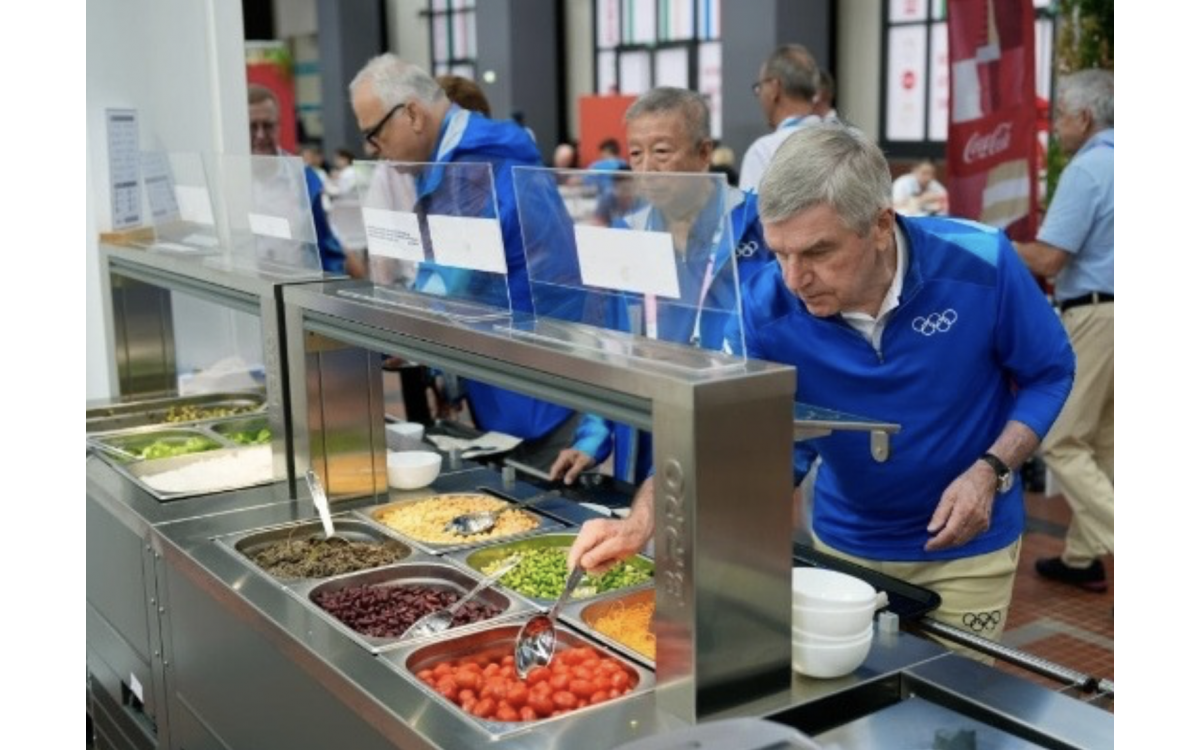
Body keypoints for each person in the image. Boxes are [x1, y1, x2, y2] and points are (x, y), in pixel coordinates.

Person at [569, 124, 1075, 645]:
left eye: (816, 252)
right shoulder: (763, 308)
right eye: (779, 253)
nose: (794, 278)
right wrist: (641, 522)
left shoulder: (982, 261)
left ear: (881, 225)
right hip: (843, 542)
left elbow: (1050, 372)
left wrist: (990, 471)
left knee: (955, 715)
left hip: (970, 548)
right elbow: (716, 432)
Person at [349, 54, 577, 469]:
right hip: (511, 369)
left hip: (537, 381)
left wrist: (382, 335)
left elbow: (447, 283)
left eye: (375, 135)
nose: (374, 150)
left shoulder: (473, 165)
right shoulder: (459, 159)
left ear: (413, 114)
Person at [549, 87, 770, 487]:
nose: (647, 168)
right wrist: (593, 437)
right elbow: (610, 345)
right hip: (648, 424)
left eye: (662, 152)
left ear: (704, 154)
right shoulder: (627, 233)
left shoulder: (757, 227)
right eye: (636, 154)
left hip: (732, 425)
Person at [1015, 69, 1114, 593]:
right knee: (1107, 445)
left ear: (1084, 116)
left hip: (1097, 313)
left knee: (1059, 438)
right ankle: (1080, 558)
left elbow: (1050, 259)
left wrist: (989, 242)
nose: (1055, 126)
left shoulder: (1090, 167)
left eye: (1059, 115)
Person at [248, 84, 347, 275]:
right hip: (246, 294)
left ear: (278, 126)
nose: (260, 135)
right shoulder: (231, 179)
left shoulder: (303, 179)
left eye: (267, 125)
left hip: (297, 292)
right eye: (252, 126)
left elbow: (326, 249)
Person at [739, 44, 822, 192]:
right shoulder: (845, 143)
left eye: (760, 87)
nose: (759, 95)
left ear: (774, 88)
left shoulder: (763, 152)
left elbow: (750, 214)